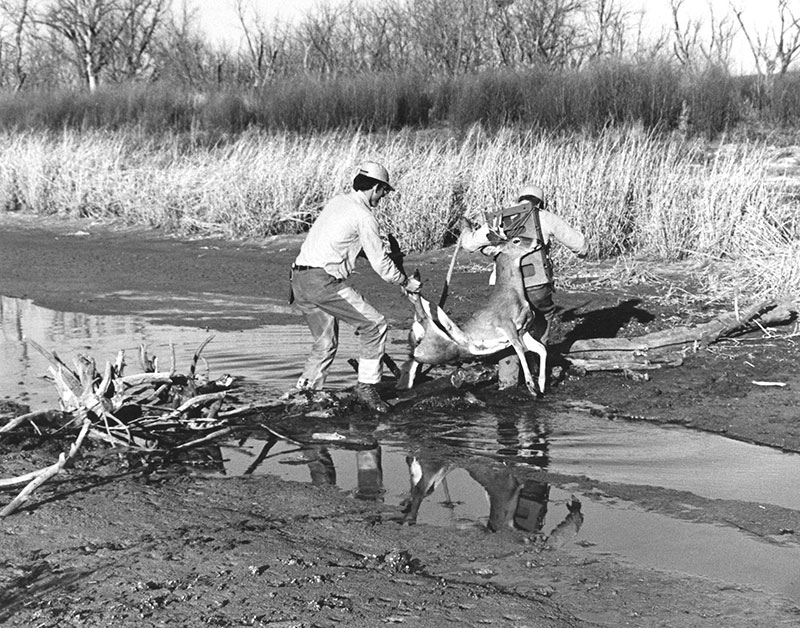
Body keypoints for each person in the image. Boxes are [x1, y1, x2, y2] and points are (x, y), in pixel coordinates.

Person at [288, 161, 421, 413]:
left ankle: (306, 394)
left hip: (298, 280)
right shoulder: (364, 216)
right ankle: (367, 387)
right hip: (322, 282)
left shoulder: (337, 202)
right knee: (375, 324)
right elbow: (381, 264)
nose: (383, 197)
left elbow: (339, 242)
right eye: (383, 192)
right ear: (376, 188)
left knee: (324, 344)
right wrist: (405, 281)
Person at [461, 183, 587, 389]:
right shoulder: (544, 217)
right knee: (542, 316)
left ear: (519, 200)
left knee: (507, 326)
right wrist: (582, 250)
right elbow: (580, 245)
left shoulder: (500, 219)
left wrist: (466, 229)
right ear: (540, 202)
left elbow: (468, 244)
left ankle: (508, 380)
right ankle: (537, 370)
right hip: (537, 284)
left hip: (506, 288)